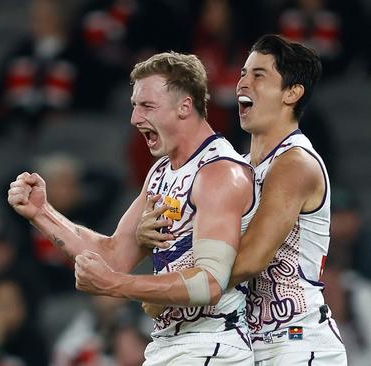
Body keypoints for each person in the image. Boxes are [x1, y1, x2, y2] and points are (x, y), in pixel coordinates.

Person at [8, 51, 256, 365]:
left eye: (147, 106)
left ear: (184, 107)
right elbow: (112, 258)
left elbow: (209, 282)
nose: (135, 119)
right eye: (134, 106)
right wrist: (43, 213)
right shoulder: (162, 172)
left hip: (215, 346)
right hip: (171, 343)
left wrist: (115, 286)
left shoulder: (218, 172)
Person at [137, 34, 347, 365]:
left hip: (297, 343)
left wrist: (167, 291)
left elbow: (250, 259)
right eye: (242, 74)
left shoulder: (295, 163)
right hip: (251, 340)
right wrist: (152, 234)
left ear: (292, 93)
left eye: (258, 75)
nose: (241, 83)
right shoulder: (240, 167)